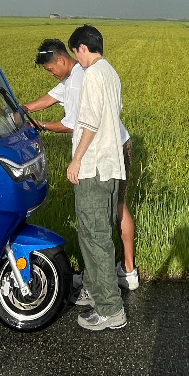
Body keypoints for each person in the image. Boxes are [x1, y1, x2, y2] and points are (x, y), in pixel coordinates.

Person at [23, 38, 138, 291]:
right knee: (115, 206)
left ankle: (107, 279)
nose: (51, 74)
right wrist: (22, 109)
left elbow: (76, 124)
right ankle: (125, 271)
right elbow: (50, 98)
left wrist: (41, 126)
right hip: (117, 142)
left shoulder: (78, 80)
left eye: (51, 69)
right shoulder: (75, 75)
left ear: (63, 59)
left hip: (108, 148)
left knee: (106, 212)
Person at [65, 24, 127, 331]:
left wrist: (76, 160)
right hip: (111, 166)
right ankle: (93, 287)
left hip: (94, 167)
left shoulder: (91, 76)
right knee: (100, 235)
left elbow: (89, 122)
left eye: (75, 52)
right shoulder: (110, 72)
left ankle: (110, 310)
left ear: (82, 48)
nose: (76, 59)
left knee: (93, 237)